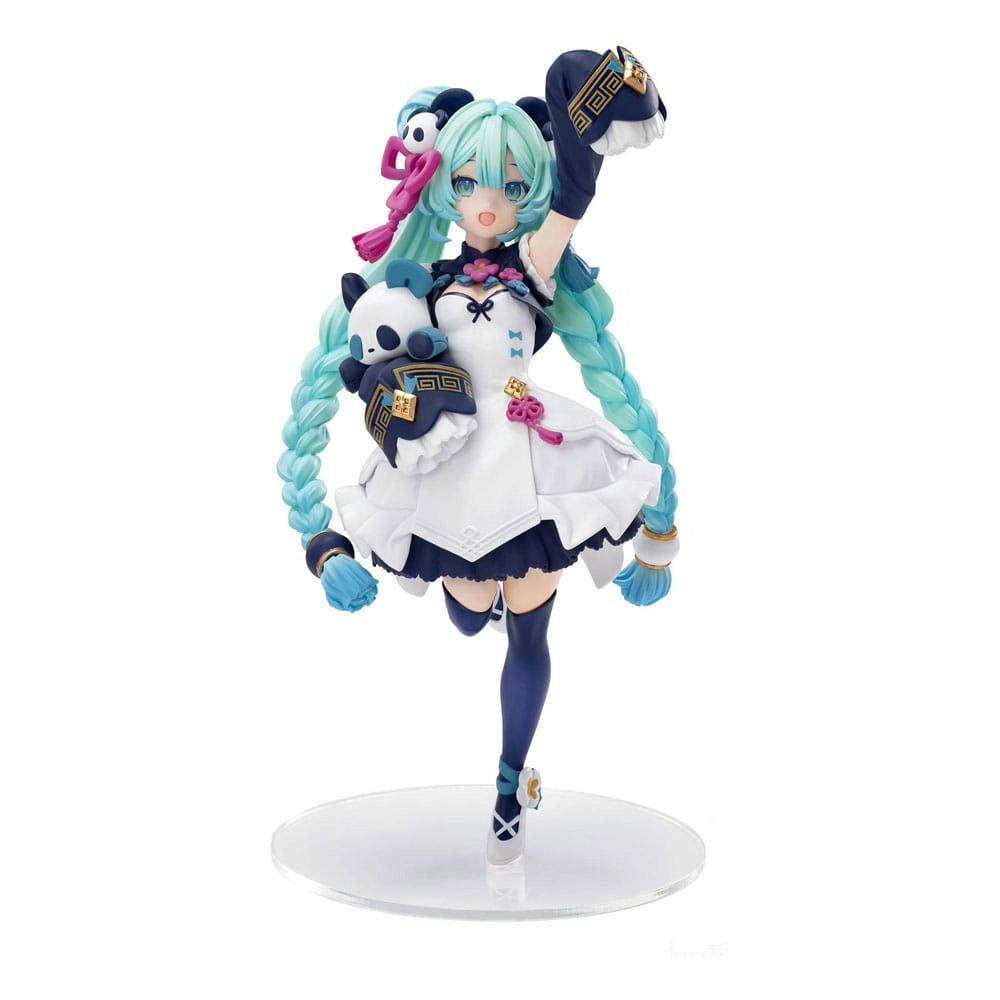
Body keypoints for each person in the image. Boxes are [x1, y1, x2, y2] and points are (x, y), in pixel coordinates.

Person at [278, 48, 679, 865]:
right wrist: (323, 534)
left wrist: (586, 113)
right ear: (444, 186)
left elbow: (572, 200)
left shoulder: (534, 269)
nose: (487, 202)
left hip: (532, 457)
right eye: (467, 182)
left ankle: (509, 781)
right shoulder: (418, 281)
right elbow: (362, 363)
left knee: (529, 629)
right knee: (465, 609)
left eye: (507, 185)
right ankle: (475, 605)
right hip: (452, 457)